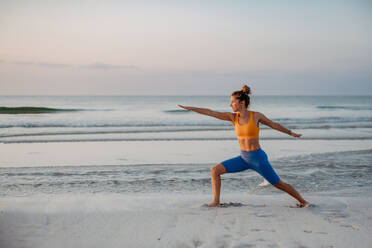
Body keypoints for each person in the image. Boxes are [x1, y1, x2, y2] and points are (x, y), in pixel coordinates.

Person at [178, 85, 310, 208]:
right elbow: (211, 112)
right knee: (215, 171)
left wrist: (290, 132)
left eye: (232, 102)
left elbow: (273, 124)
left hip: (258, 159)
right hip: (243, 158)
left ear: (241, 103)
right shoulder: (232, 118)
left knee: (279, 184)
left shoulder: (256, 116)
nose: (230, 105)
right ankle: (216, 201)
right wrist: (191, 108)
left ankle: (303, 202)